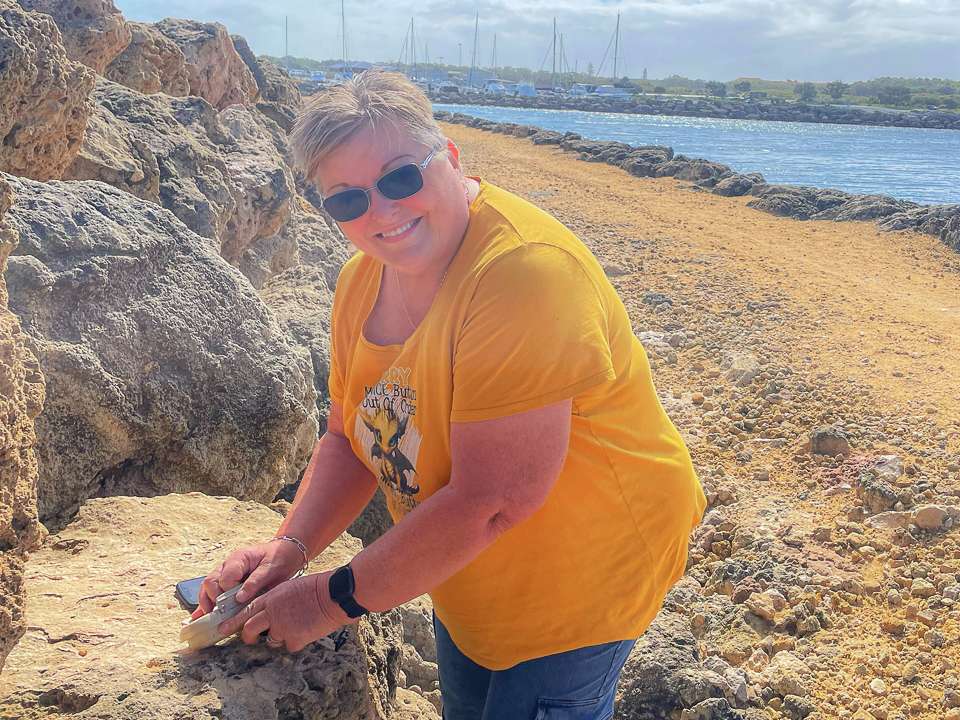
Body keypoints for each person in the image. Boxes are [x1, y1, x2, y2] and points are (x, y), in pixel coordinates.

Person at [188, 69, 706, 718]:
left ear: (451, 158)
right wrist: (288, 551)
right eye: (347, 201)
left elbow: (494, 501)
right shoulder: (360, 281)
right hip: (465, 564)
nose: (382, 211)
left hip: (586, 567)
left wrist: (327, 601)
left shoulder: (523, 275)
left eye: (401, 177)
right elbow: (349, 440)